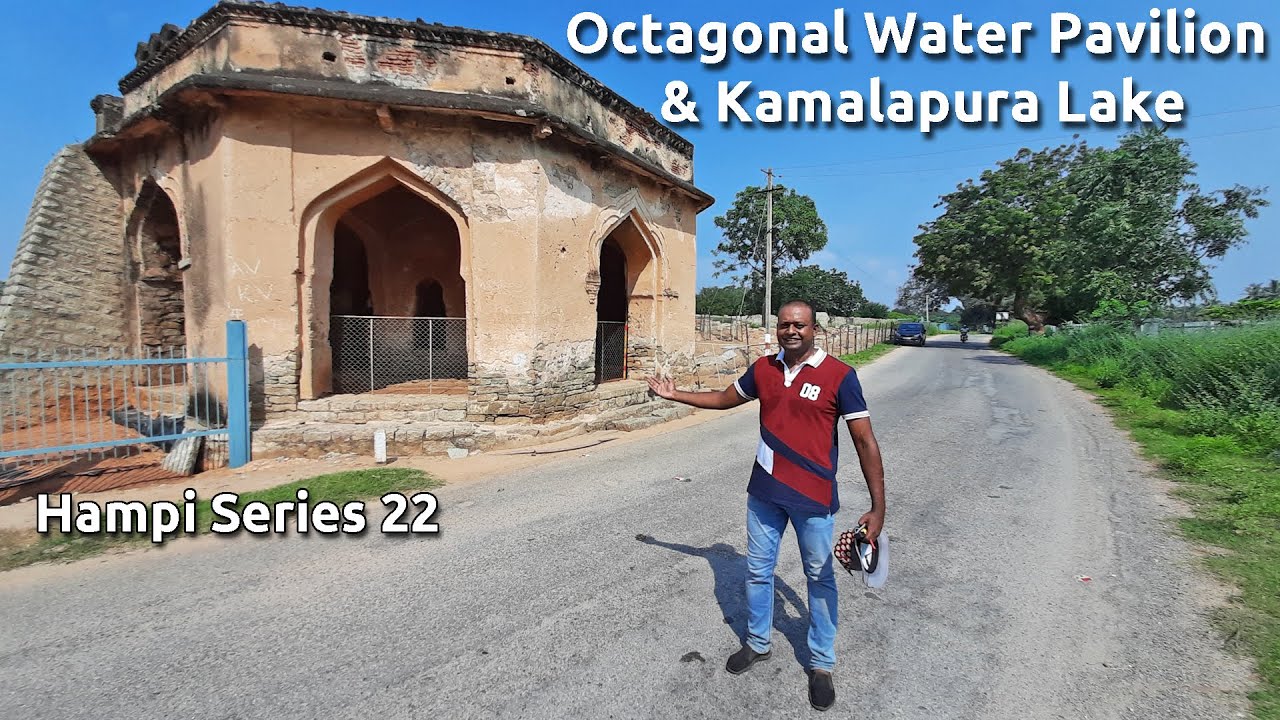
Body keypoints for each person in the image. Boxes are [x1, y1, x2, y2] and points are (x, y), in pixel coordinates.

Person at [646, 300, 886, 712]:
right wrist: (675, 395)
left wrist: (878, 507)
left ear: (815, 329)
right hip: (765, 492)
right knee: (758, 570)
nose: (791, 331)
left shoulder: (840, 376)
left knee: (818, 575)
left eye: (799, 325)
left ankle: (822, 664)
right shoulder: (764, 369)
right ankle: (758, 643)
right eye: (784, 325)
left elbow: (865, 441)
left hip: (813, 498)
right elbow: (725, 399)